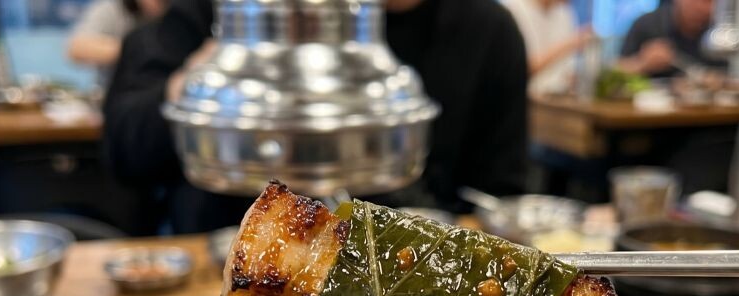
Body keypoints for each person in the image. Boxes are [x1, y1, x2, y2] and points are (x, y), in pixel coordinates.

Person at [103, 0, 529, 234]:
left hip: (406, 275)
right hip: (225, 272)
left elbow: (498, 196)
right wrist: (200, 80)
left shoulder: (486, 29)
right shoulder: (229, 14)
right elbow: (123, 150)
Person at [68, 0, 168, 88]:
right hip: (110, 92)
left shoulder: (173, 16)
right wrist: (136, 50)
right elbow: (77, 48)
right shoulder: (114, 7)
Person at [503, 0, 597, 94]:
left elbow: (568, 70)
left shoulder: (565, 12)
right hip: (526, 96)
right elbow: (519, 70)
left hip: (557, 95)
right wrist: (569, 44)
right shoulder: (512, 9)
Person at [618, 0, 725, 77]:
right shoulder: (647, 24)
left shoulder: (719, 31)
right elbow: (617, 70)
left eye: (710, 1)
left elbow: (726, 73)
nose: (702, 8)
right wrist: (643, 63)